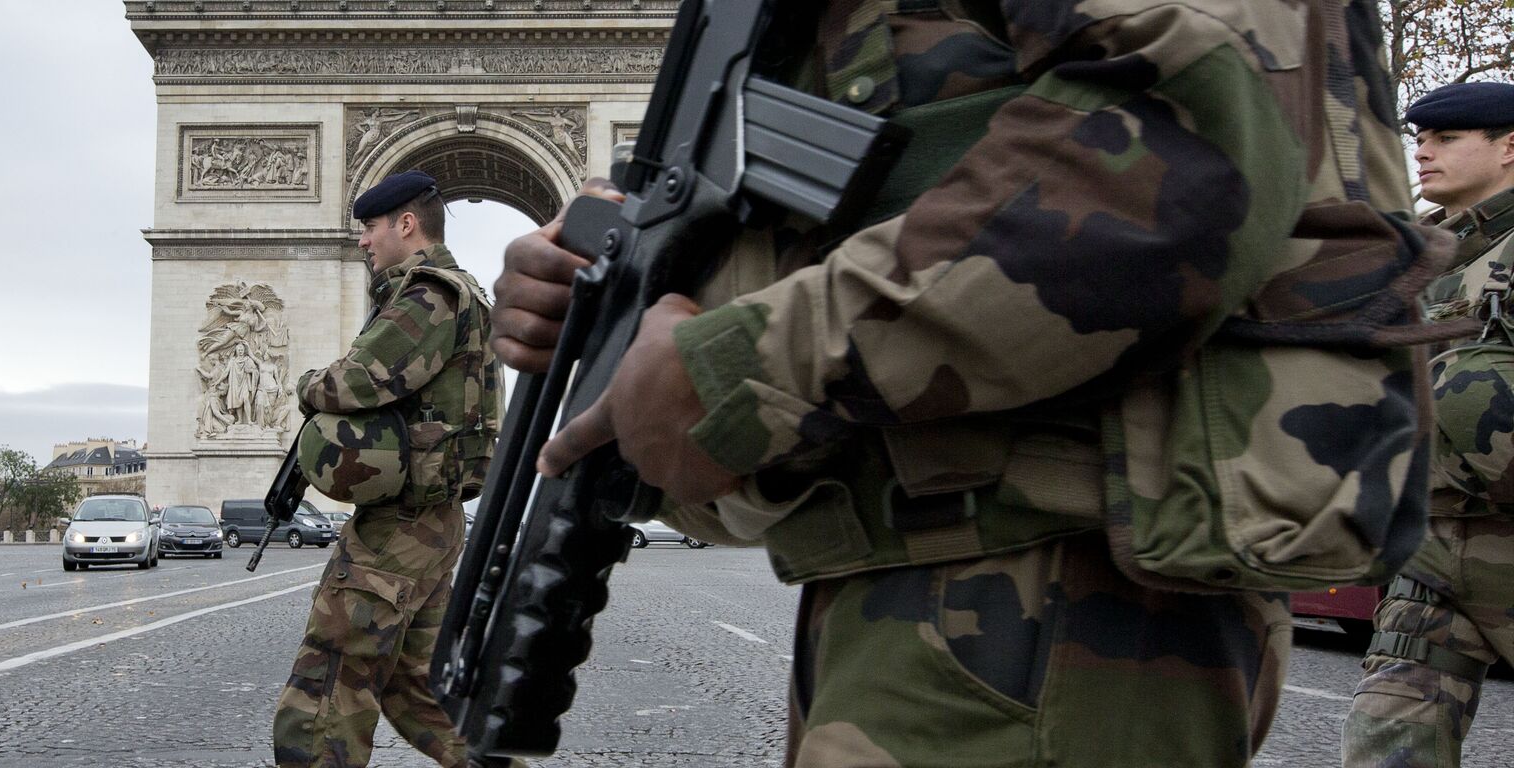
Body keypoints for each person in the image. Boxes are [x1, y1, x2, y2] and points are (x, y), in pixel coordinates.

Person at [494, 2, 1421, 766]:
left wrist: (741, 369)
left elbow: (1191, 133)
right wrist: (626, 298)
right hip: (928, 585)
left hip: (1049, 592)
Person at [273, 170, 505, 768]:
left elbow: (359, 380)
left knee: (327, 688)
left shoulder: (426, 294)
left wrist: (304, 385)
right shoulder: (464, 290)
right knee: (417, 689)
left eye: (371, 227)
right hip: (433, 520)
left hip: (401, 527)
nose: (362, 242)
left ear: (407, 224)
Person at [1343, 81, 1514, 768]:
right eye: (1418, 138)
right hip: (1433, 546)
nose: (1423, 152)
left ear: (1509, 147)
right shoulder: (1419, 258)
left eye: (1446, 138)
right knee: (1388, 735)